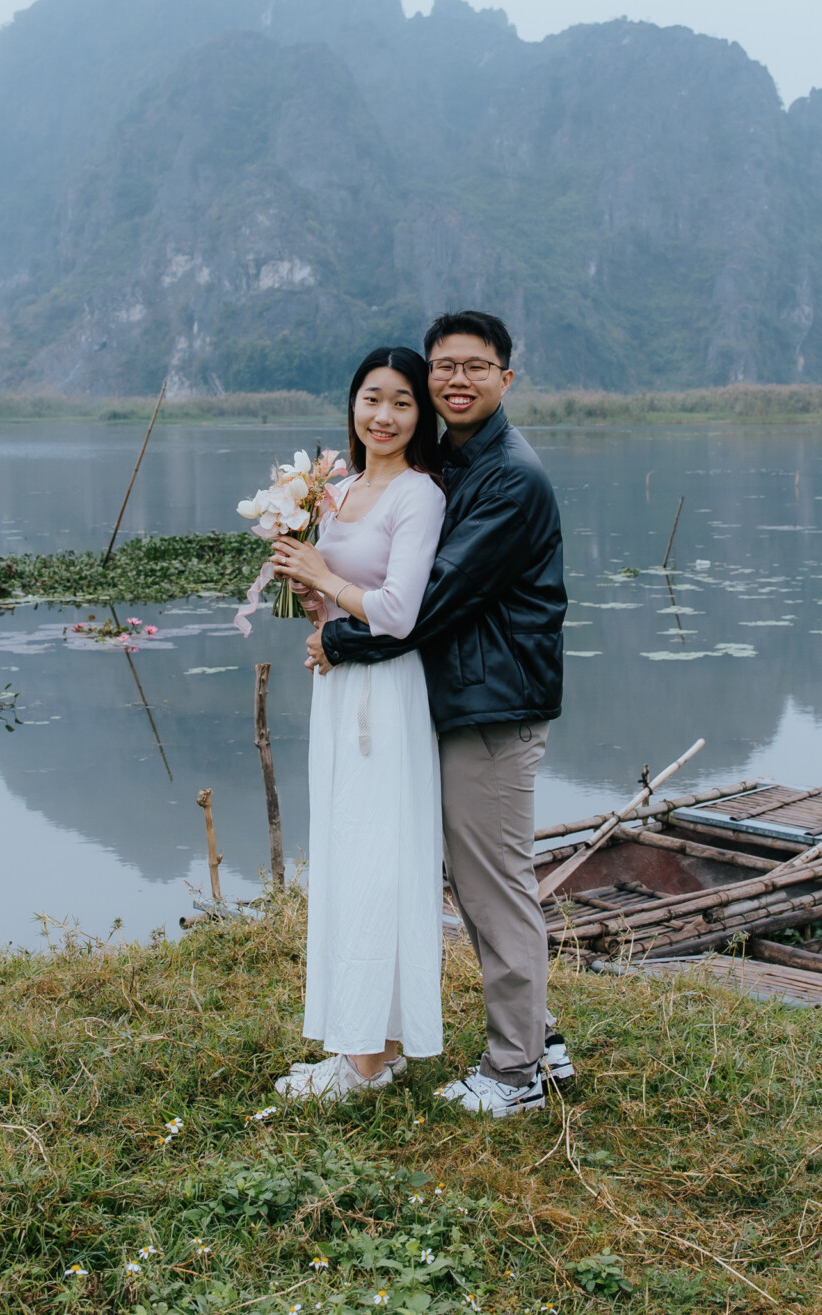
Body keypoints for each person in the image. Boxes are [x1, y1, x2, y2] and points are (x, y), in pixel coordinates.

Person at [303, 311, 568, 1119]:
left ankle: (516, 1071)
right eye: (444, 366)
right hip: (459, 697)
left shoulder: (510, 477)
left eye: (475, 367)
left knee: (492, 886)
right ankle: (538, 1041)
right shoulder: (455, 461)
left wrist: (339, 640)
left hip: (496, 703)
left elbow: (428, 603)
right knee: (478, 876)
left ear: (506, 377)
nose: (457, 379)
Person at [264, 346, 450, 1102]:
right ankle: (374, 1041)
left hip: (387, 691)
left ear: (420, 415)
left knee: (379, 859)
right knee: (348, 852)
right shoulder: (335, 490)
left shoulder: (418, 495)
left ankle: (364, 1061)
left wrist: (322, 578)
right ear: (352, 404)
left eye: (402, 402)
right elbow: (338, 594)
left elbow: (401, 610)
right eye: (372, 398)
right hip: (338, 687)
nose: (384, 415)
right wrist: (308, 599)